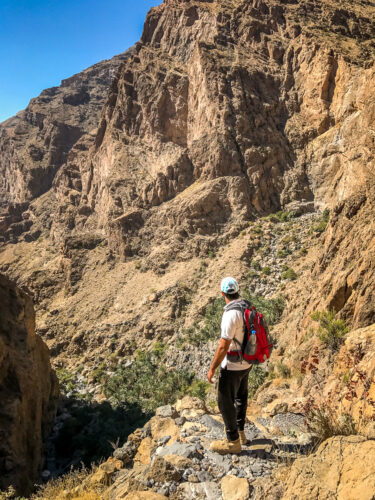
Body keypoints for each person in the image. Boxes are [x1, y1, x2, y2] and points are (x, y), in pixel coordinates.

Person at [206, 277, 251, 454]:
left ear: (222, 293)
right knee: (241, 396)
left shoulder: (230, 314)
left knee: (224, 401)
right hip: (248, 362)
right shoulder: (247, 305)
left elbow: (224, 346)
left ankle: (233, 442)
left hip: (233, 365)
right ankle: (241, 432)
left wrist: (212, 368)